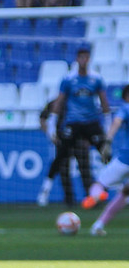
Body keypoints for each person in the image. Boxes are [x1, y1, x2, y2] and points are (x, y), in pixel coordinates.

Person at [47, 47, 111, 209]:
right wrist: (52, 125)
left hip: (91, 123)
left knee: (106, 154)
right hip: (73, 123)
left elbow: (104, 103)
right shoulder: (68, 79)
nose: (83, 60)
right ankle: (46, 190)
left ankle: (111, 189)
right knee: (61, 155)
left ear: (89, 59)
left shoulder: (96, 79)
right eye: (80, 57)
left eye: (86, 57)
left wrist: (108, 127)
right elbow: (59, 102)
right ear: (77, 59)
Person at [89, 85, 129, 235]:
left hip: (125, 159)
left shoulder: (125, 108)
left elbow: (116, 123)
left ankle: (96, 197)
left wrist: (108, 141)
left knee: (100, 183)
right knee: (126, 192)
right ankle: (98, 224)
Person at [37, 96, 91, 207]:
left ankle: (90, 198)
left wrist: (87, 138)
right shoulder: (53, 103)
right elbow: (42, 118)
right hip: (63, 142)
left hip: (79, 141)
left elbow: (88, 120)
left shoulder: (78, 102)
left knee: (85, 170)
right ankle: (69, 199)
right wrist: (50, 134)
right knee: (63, 170)